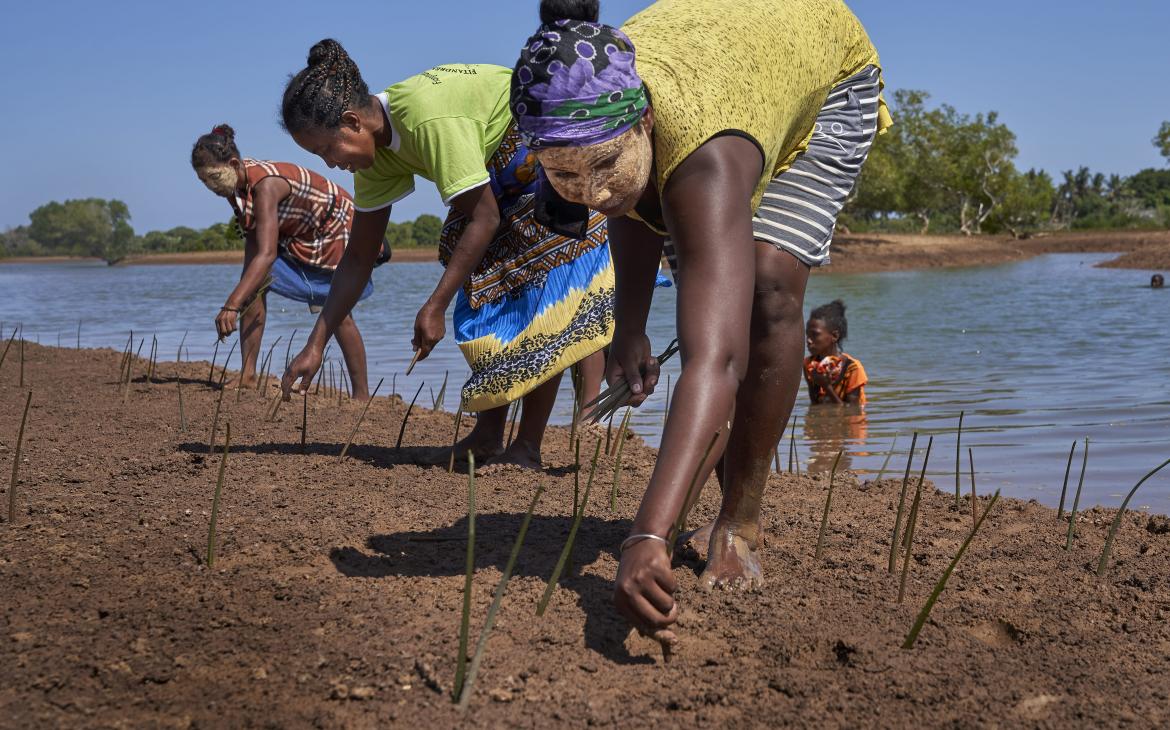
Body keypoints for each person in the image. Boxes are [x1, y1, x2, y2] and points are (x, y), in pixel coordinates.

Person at [511, 0, 890, 637]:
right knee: (694, 264)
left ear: (646, 120)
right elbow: (629, 198)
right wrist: (627, 325)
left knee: (766, 286)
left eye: (605, 164)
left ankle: (741, 516)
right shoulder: (579, 103)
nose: (594, 193)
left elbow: (717, 359)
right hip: (717, 63)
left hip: (824, 68)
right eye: (567, 177)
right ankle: (694, 490)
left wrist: (647, 534)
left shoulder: (703, 156)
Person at [277, 40, 614, 469]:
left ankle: (526, 445)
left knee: (538, 297)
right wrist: (316, 344)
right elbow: (359, 256)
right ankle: (489, 437)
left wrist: (435, 304)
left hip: (534, 147)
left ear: (352, 122)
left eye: (327, 149)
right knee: (481, 284)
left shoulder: (426, 118)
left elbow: (486, 219)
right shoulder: (374, 156)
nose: (329, 163)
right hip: (494, 173)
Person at [191, 124, 371, 399]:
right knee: (253, 285)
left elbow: (266, 254)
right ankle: (248, 375)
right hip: (301, 234)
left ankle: (361, 395)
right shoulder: (236, 191)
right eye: (204, 181)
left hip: (334, 228)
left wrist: (231, 305)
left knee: (337, 308)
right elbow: (255, 249)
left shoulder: (266, 185)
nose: (211, 186)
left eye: (214, 176)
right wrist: (243, 293)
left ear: (235, 163)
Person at [803, 300, 867, 405]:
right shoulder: (809, 364)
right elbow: (815, 404)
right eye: (807, 335)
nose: (809, 340)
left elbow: (852, 411)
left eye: (815, 335)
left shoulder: (852, 368)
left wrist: (826, 387)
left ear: (834, 336)